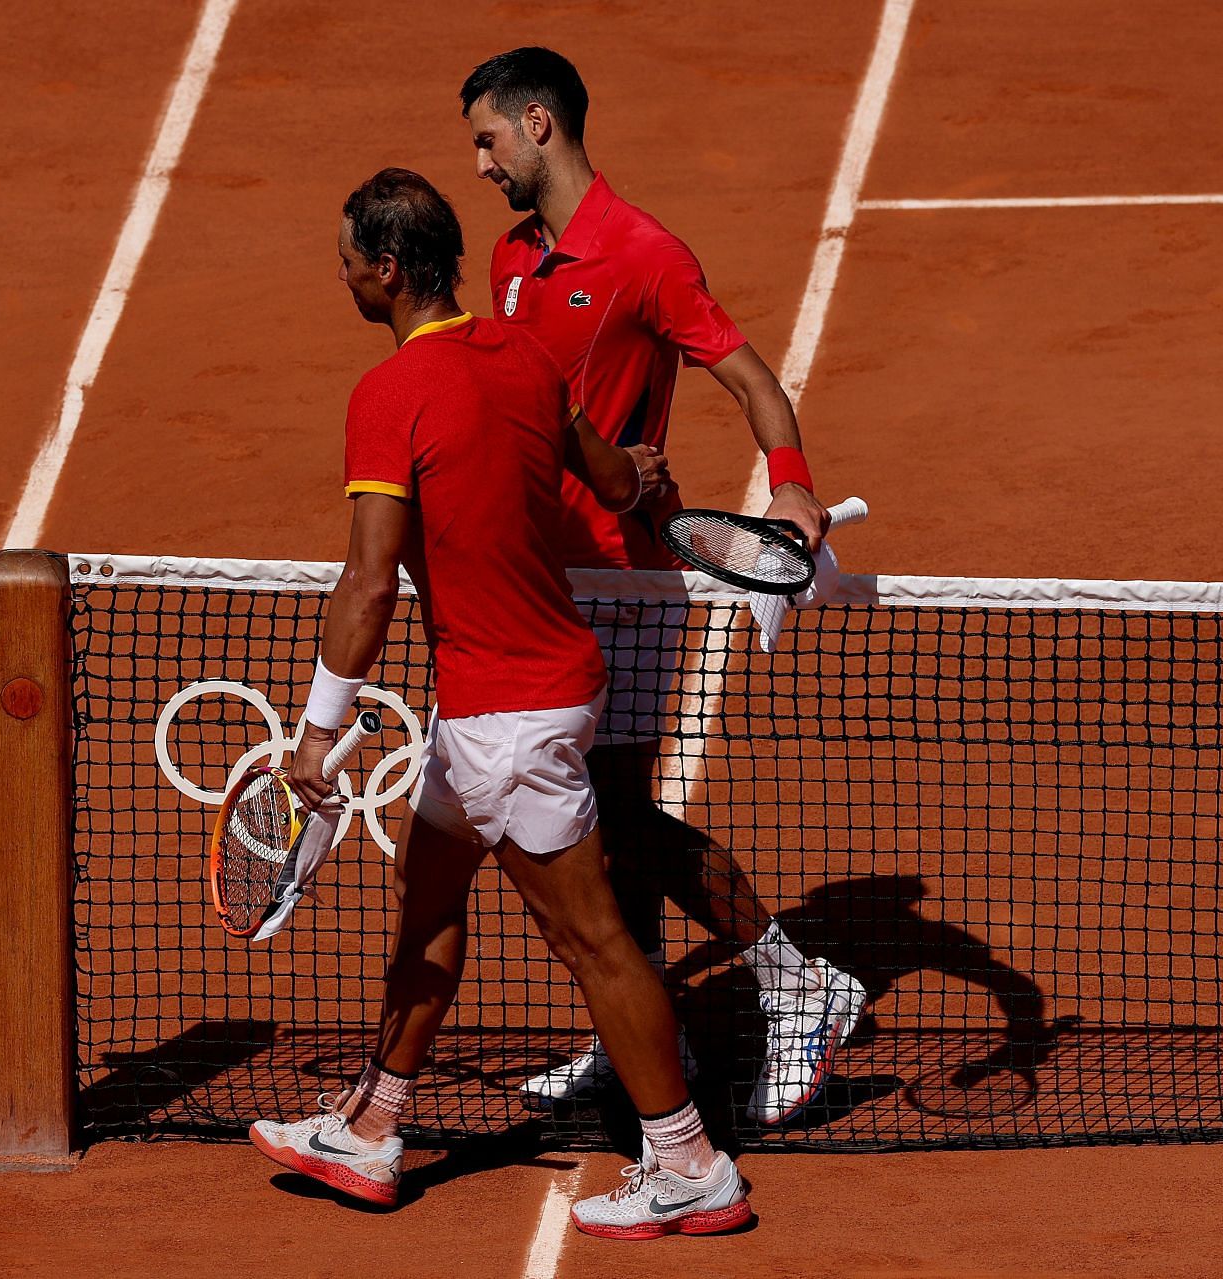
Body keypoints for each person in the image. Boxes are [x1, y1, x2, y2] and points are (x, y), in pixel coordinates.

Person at [247, 168, 751, 1240]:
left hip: (507, 717)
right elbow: (615, 484)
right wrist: (641, 472)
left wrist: (317, 736)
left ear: (385, 271)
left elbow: (371, 583)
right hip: (502, 703)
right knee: (424, 897)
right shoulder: (526, 355)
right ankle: (373, 1124)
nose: (338, 272)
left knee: (596, 943)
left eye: (345, 257)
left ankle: (689, 1161)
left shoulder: (387, 396)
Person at [460, 47, 869, 1127]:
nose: (483, 163)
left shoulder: (646, 256)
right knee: (584, 821)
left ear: (539, 123)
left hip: (630, 584)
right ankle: (635, 1025)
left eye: (488, 140)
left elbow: (750, 379)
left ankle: (799, 983)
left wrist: (791, 490)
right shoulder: (509, 257)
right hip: (544, 575)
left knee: (621, 821)